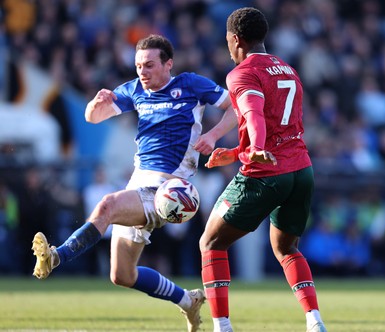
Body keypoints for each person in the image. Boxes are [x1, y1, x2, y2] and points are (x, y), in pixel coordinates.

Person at [31, 34, 236, 332]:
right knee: (122, 275)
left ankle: (57, 255)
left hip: (168, 190)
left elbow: (234, 105)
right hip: (137, 186)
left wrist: (214, 136)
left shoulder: (190, 84)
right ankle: (187, 300)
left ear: (168, 64)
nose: (143, 71)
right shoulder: (135, 90)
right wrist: (95, 103)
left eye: (150, 65)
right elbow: (93, 117)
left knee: (107, 205)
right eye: (139, 65)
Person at [199, 7, 327, 332]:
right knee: (286, 248)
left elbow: (255, 115)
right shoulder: (288, 69)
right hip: (302, 171)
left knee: (211, 243)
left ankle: (222, 326)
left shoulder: (241, 73)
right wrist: (237, 151)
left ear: (235, 39)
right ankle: (314, 321)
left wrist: (254, 147)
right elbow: (284, 126)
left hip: (267, 174)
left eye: (227, 40)